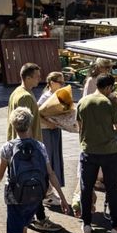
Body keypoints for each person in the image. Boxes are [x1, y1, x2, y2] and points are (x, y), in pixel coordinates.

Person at [7, 63, 62, 233]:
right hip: (27, 147)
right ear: (28, 77)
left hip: (19, 146)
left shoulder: (17, 92)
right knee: (36, 183)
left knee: (29, 183)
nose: (40, 78)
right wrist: (32, 147)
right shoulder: (26, 97)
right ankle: (39, 218)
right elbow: (25, 125)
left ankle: (34, 216)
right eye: (37, 76)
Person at [77, 73, 117, 233]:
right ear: (108, 88)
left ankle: (86, 223)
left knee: (86, 188)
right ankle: (115, 226)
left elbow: (79, 125)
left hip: (88, 150)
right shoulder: (110, 103)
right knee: (112, 189)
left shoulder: (83, 102)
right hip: (109, 152)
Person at [38, 72, 70, 206]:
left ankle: (49, 191)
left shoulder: (56, 95)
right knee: (48, 160)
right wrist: (48, 123)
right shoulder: (46, 96)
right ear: (51, 82)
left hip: (54, 130)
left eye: (63, 82)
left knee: (54, 158)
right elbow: (37, 113)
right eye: (60, 82)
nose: (62, 85)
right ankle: (47, 193)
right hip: (46, 131)